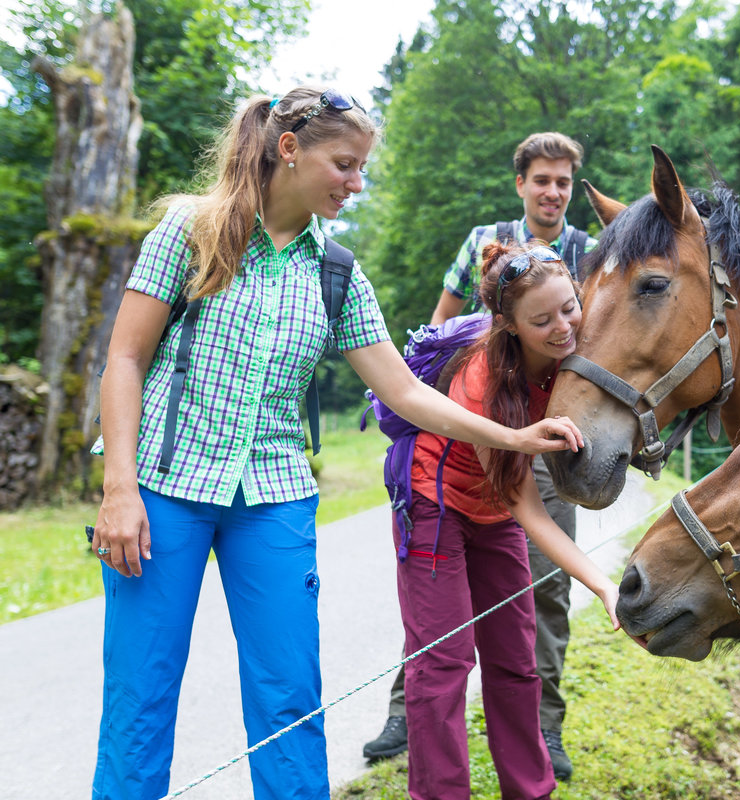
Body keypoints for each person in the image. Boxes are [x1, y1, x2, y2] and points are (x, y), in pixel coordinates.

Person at [87, 87, 583, 800]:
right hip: (163, 490)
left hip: (275, 499)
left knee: (290, 695)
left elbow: (408, 394)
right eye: (345, 165)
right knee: (141, 695)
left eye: (362, 169)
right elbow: (126, 360)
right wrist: (120, 489)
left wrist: (512, 435)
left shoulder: (337, 272)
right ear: (289, 150)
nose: (357, 183)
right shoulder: (191, 232)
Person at [364, 132, 596, 780]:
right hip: (461, 457)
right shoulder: (483, 256)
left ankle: (539, 747)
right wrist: (511, 433)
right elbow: (440, 330)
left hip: (542, 432)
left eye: (564, 182)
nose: (553, 191)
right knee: (442, 643)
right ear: (520, 182)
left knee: (529, 615)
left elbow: (603, 345)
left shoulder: (587, 253)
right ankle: (408, 720)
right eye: (542, 179)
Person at [395, 239, 618, 800]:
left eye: (570, 307)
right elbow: (528, 507)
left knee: (517, 662)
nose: (564, 326)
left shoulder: (579, 353)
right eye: (541, 320)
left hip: (492, 514)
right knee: (442, 664)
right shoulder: (484, 378)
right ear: (510, 325)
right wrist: (603, 583)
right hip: (436, 506)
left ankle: (531, 791)